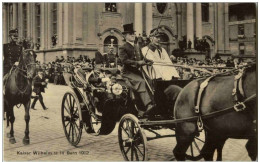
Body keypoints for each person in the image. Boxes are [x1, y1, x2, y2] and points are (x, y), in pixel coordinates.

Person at [119, 23, 154, 116]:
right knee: (141, 82)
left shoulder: (137, 46)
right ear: (125, 36)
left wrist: (147, 61)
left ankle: (153, 103)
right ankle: (147, 105)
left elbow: (141, 58)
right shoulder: (123, 47)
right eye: (131, 34)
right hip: (127, 72)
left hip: (136, 71)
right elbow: (124, 60)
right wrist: (138, 63)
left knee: (150, 81)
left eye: (133, 34)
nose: (133, 35)